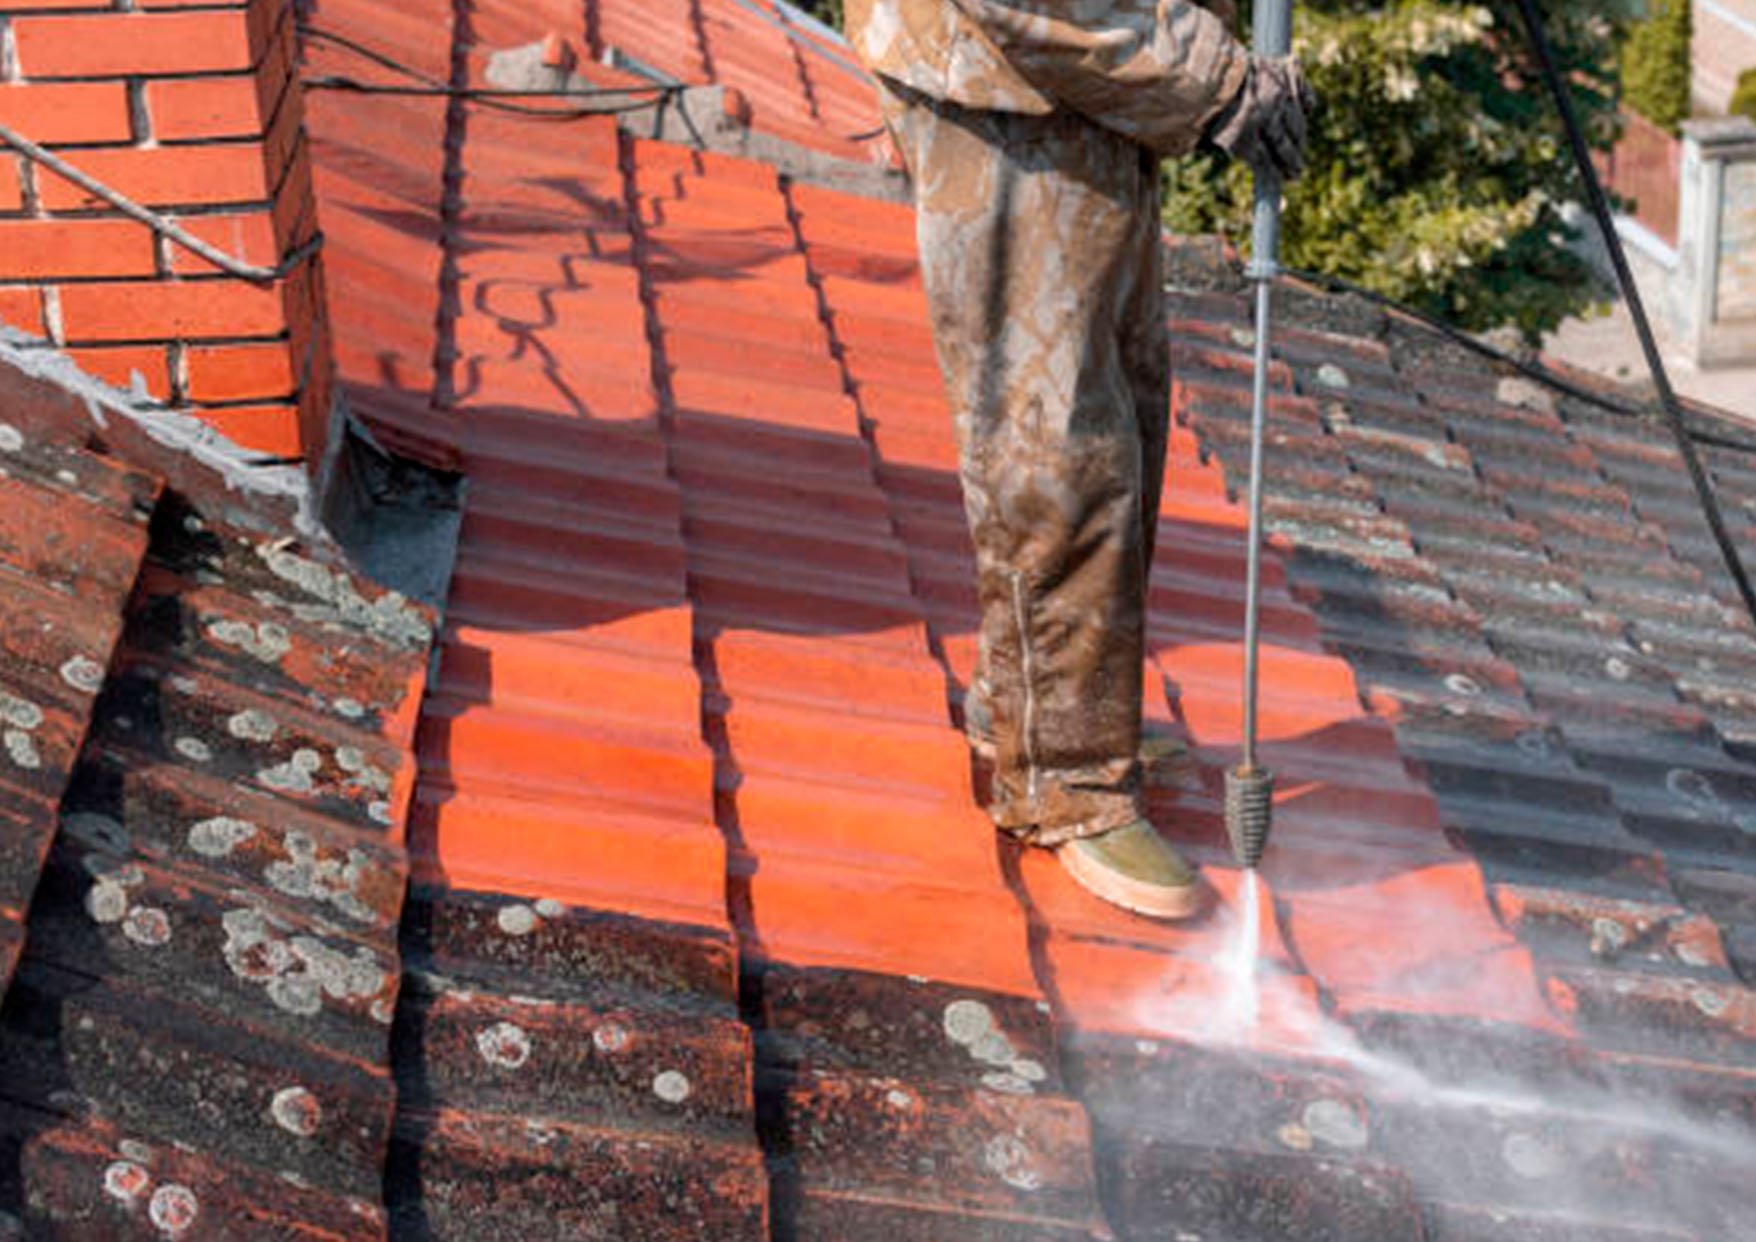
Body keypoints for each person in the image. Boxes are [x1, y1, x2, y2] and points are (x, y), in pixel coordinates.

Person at [843, 0, 1314, 918]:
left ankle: (1039, 708)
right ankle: (1063, 779)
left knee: (1122, 411)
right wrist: (1211, 80)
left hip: (1081, 79)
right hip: (1011, 81)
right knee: (1061, 442)